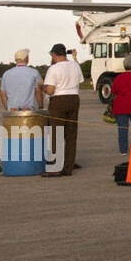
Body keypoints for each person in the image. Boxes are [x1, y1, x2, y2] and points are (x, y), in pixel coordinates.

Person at [39, 44, 83, 177]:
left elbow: (51, 90)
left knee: (56, 133)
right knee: (71, 134)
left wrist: (42, 87)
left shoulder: (54, 69)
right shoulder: (75, 65)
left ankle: (55, 167)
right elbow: (80, 80)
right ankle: (68, 167)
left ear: (53, 54)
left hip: (59, 100)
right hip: (74, 98)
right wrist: (75, 58)